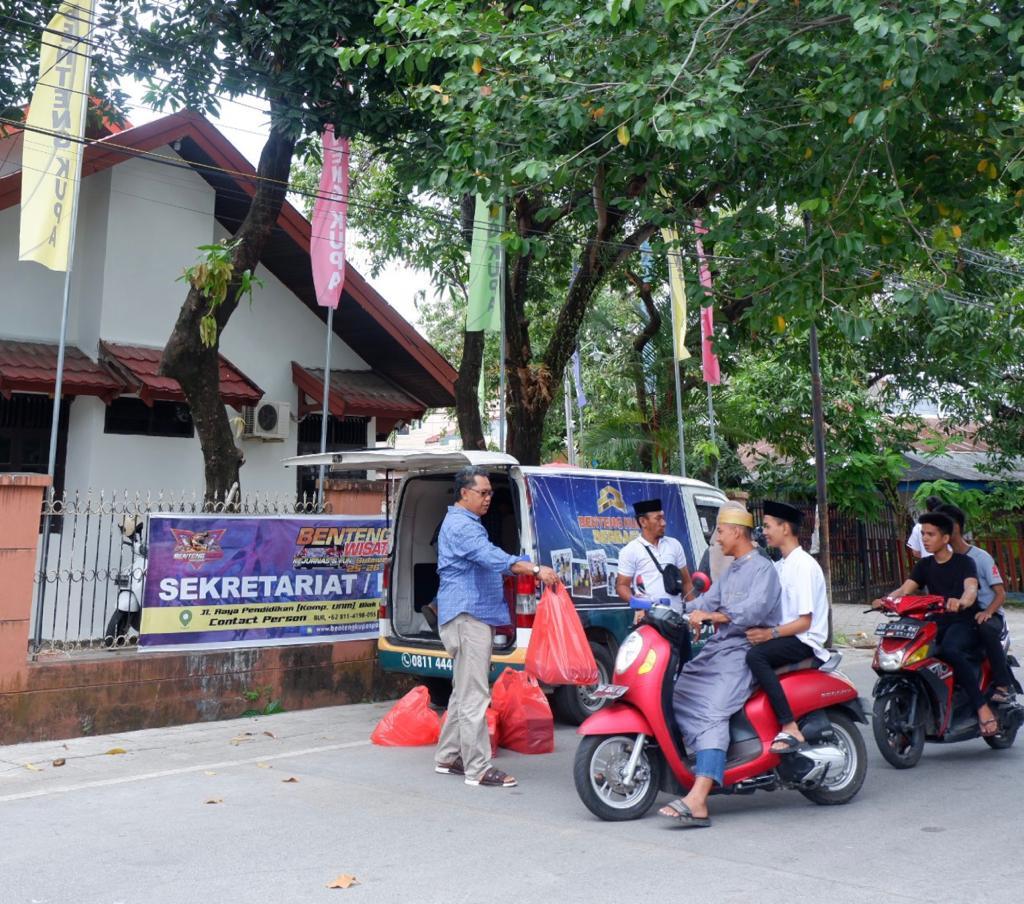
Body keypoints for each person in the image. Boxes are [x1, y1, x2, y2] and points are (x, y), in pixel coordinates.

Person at [659, 501, 782, 828]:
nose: (717, 539)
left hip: (744, 650)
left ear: (738, 532)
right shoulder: (733, 571)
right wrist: (664, 612)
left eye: (721, 532)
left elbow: (755, 610)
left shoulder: (762, 569)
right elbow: (705, 602)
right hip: (719, 649)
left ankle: (699, 799)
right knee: (680, 688)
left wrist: (713, 616)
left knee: (713, 709)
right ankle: (701, 757)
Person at [434, 466, 558, 787]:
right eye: (483, 493)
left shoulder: (467, 523)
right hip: (467, 616)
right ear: (464, 493)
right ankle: (477, 768)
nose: (489, 498)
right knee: (474, 695)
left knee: (463, 691)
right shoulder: (462, 526)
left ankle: (448, 757)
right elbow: (490, 557)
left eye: (491, 493)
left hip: (469, 614)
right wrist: (532, 568)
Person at [872, 512, 997, 736]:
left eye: (930, 534)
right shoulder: (925, 565)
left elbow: (971, 589)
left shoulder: (964, 562)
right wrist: (886, 600)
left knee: (949, 649)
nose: (925, 539)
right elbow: (904, 590)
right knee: (916, 650)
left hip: (963, 621)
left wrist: (960, 602)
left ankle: (981, 706)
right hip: (936, 621)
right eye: (923, 534)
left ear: (946, 538)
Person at [745, 501, 830, 754]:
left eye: (769, 526)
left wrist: (768, 634)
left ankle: (789, 724)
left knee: (755, 656)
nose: (765, 531)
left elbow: (805, 622)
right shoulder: (780, 565)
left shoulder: (802, 565)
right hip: (788, 635)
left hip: (804, 640)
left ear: (785, 528)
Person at [938, 503, 1015, 704]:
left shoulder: (981, 557)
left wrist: (988, 612)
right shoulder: (942, 559)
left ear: (954, 527)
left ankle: (1003, 685)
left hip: (987, 614)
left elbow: (1000, 594)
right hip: (961, 616)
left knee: (985, 628)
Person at [616, 499, 693, 614]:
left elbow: (686, 582)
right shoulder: (630, 550)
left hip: (677, 618)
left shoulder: (674, 545)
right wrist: (640, 604)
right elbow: (622, 586)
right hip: (650, 619)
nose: (663, 523)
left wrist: (694, 611)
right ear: (643, 522)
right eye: (658, 519)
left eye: (663, 518)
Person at [906, 495, 945, 559]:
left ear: (927, 509)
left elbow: (915, 552)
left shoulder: (918, 527)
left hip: (928, 566)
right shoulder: (948, 525)